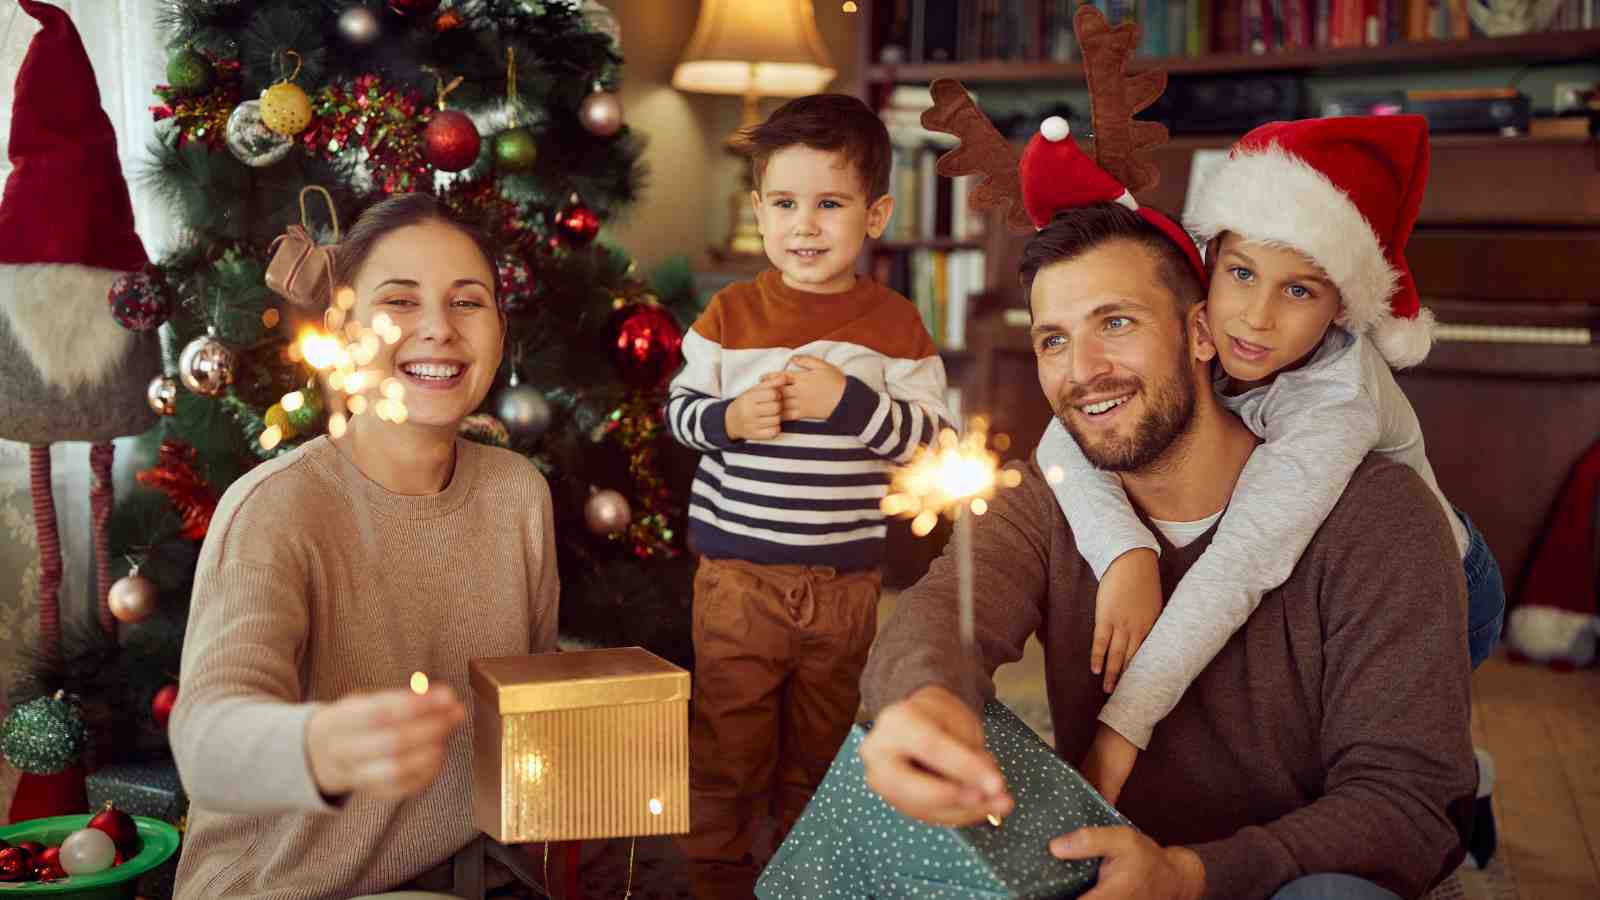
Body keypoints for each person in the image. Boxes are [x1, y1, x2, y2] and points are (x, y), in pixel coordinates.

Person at [858, 197, 1477, 899]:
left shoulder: (1378, 513)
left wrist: (1192, 876)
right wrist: (923, 701)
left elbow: (1411, 803)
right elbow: (944, 612)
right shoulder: (1048, 498)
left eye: (1115, 323)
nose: (1083, 370)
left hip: (1292, 874)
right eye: (1053, 341)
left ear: (1202, 334)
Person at [1033, 119, 1503, 841]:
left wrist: (1121, 728)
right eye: (1243, 273)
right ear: (1209, 260)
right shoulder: (1205, 327)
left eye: (1300, 292)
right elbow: (1060, 438)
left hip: (1443, 580)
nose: (1255, 317)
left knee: (1380, 735)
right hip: (1319, 561)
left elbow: (1244, 560)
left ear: (1340, 306)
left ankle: (1461, 781)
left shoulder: (1335, 404)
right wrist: (1125, 551)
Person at [170, 194, 560, 900]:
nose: (439, 330)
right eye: (400, 303)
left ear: (501, 327)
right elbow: (204, 742)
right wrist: (317, 747)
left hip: (469, 876)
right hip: (282, 886)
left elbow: (520, 726)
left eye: (468, 302)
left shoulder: (517, 493)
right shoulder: (275, 508)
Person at [664, 93, 953, 899]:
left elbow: (941, 445)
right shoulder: (730, 315)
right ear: (758, 209)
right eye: (785, 204)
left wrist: (852, 406)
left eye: (830, 204)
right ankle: (716, 872)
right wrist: (729, 417)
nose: (805, 226)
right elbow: (680, 417)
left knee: (822, 743)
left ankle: (805, 869)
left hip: (845, 586)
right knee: (729, 735)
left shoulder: (896, 327)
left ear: (876, 214)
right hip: (737, 581)